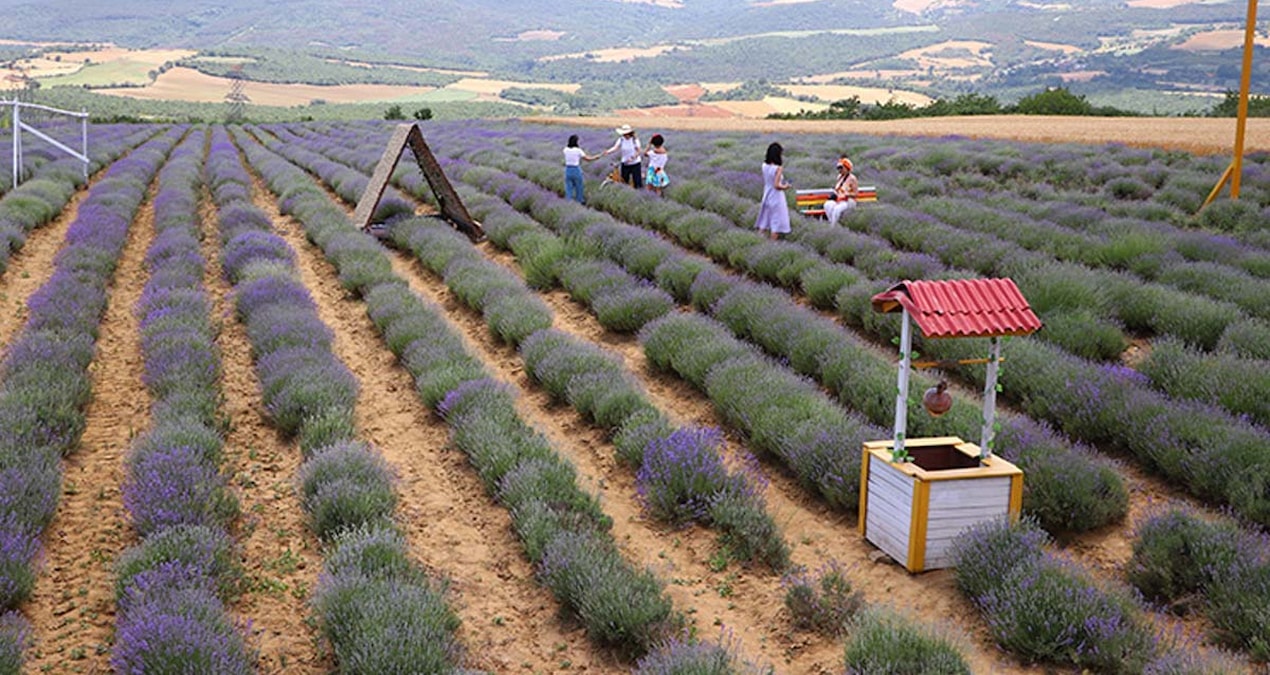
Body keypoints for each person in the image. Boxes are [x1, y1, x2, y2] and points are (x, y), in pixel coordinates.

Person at [754, 142, 792, 240]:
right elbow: (776, 185)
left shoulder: (764, 166)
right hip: (776, 197)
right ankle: (772, 245)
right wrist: (786, 187)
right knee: (776, 223)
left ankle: (758, 241)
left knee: (764, 221)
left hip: (766, 194)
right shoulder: (778, 168)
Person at [602, 124, 643, 189]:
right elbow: (615, 147)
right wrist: (608, 151)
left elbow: (638, 151)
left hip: (635, 164)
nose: (625, 135)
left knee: (637, 182)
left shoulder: (635, 140)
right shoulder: (621, 139)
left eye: (626, 134)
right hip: (625, 163)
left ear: (630, 133)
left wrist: (633, 157)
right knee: (624, 181)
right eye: (624, 134)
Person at [563, 134, 599, 204]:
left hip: (568, 170)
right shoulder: (578, 150)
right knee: (579, 186)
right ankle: (580, 201)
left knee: (568, 188)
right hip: (576, 169)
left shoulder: (565, 149)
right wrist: (595, 157)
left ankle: (568, 202)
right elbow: (587, 159)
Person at [824, 156, 859, 225]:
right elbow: (837, 190)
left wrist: (847, 194)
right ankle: (833, 223)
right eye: (838, 168)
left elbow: (855, 194)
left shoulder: (852, 179)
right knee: (827, 205)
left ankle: (833, 226)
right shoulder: (839, 177)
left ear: (847, 168)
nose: (840, 170)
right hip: (838, 200)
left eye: (841, 168)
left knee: (837, 210)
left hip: (848, 201)